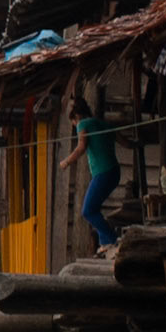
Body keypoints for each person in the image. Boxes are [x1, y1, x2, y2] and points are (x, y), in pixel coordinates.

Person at [61, 95, 122, 250]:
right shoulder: (103, 124)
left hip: (103, 173)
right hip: (114, 172)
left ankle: (112, 239)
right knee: (95, 208)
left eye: (73, 124)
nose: (76, 127)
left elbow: (81, 147)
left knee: (88, 211)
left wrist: (66, 161)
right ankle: (105, 242)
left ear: (76, 117)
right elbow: (123, 140)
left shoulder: (83, 123)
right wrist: (137, 144)